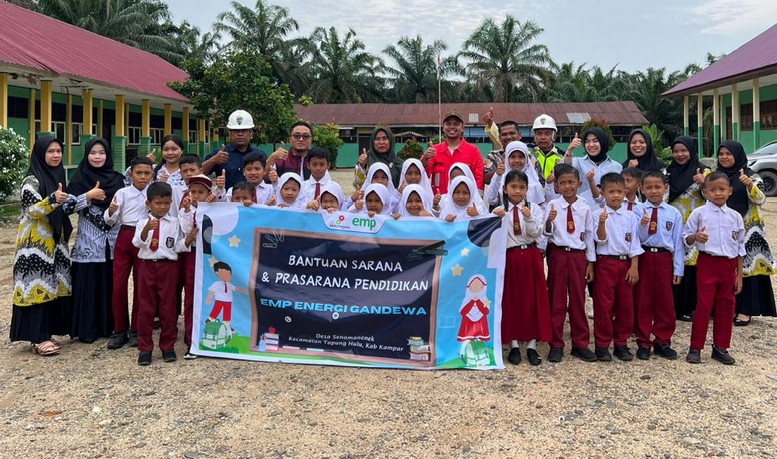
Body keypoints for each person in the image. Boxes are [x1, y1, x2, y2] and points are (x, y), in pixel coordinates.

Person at [11, 137, 74, 356]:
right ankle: (37, 338)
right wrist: (53, 199)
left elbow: (66, 205)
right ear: (40, 154)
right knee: (36, 288)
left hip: (55, 243)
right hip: (35, 246)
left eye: (59, 151)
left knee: (52, 288)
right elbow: (32, 210)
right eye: (50, 151)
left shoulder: (57, 176)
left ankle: (45, 333)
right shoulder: (31, 180)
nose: (56, 155)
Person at [65, 137, 124, 343]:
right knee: (88, 287)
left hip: (113, 245)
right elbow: (66, 207)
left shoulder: (118, 180)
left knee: (111, 287)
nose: (97, 157)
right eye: (92, 153)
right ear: (86, 155)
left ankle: (111, 327)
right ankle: (87, 330)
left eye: (101, 153)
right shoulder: (79, 179)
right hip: (88, 246)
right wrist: (88, 196)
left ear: (108, 155)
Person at [682, 172, 745, 365]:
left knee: (727, 306)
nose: (718, 193)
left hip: (729, 266)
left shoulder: (735, 217)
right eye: (713, 189)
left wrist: (739, 275)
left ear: (730, 191)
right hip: (708, 263)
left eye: (722, 189)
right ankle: (695, 348)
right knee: (704, 306)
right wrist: (695, 237)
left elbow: (740, 247)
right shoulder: (699, 213)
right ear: (705, 192)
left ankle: (721, 347)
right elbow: (686, 237)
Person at [492, 169, 551, 365]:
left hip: (531, 255)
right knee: (512, 299)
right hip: (509, 257)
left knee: (533, 299)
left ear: (527, 190)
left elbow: (537, 233)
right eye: (513, 187)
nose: (517, 191)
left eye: (522, 187)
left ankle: (532, 344)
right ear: (505, 189)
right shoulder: (499, 210)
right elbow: (492, 238)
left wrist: (528, 218)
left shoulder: (534, 209)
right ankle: (514, 344)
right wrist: (497, 220)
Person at [133, 182, 195, 365]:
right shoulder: (142, 223)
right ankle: (145, 348)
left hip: (167, 267)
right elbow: (138, 243)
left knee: (168, 307)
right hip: (147, 266)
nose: (162, 207)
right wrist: (147, 229)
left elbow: (177, 246)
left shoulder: (174, 223)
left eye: (166, 203)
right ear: (148, 204)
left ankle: (168, 346)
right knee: (146, 308)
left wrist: (189, 239)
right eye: (158, 203)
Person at [715, 141, 776, 325]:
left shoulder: (751, 175)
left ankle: (746, 310)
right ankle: (730, 307)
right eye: (721, 154)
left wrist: (750, 186)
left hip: (748, 230)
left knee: (748, 270)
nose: (724, 157)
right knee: (728, 268)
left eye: (728, 154)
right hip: (725, 229)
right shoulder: (716, 176)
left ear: (738, 155)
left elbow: (760, 199)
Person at [543, 164, 597, 363]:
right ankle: (556, 344)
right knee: (556, 300)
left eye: (571, 182)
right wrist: (549, 221)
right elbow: (546, 232)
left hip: (577, 256)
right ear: (556, 186)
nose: (567, 186)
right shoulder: (552, 205)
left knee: (578, 299)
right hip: (558, 253)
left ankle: (580, 344)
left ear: (579, 184)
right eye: (563, 183)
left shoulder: (584, 207)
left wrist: (591, 262)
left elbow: (589, 235)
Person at [104, 156, 154, 349]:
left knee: (141, 285)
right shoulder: (122, 193)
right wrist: (111, 211)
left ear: (152, 175)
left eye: (147, 173)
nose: (142, 177)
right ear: (131, 174)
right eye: (138, 173)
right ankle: (119, 329)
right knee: (118, 285)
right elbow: (110, 221)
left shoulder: (154, 192)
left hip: (144, 238)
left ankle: (137, 329)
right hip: (125, 236)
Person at [634, 170, 684, 360]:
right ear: (641, 188)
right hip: (644, 256)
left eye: (658, 187)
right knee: (643, 299)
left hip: (664, 258)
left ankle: (663, 340)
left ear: (666, 188)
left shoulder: (673, 213)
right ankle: (643, 341)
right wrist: (642, 225)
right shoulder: (638, 210)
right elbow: (636, 238)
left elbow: (678, 242)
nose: (653, 191)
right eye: (649, 187)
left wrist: (678, 268)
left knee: (665, 301)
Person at [592, 172, 643, 362]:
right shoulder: (598, 214)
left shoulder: (630, 216)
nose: (615, 196)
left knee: (625, 305)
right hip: (605, 262)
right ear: (602, 193)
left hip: (625, 263)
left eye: (619, 192)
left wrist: (634, 266)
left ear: (625, 192)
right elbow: (600, 239)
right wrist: (602, 223)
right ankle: (602, 344)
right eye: (611, 192)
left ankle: (621, 343)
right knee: (604, 305)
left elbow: (634, 243)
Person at [666, 136, 709, 322]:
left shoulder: (703, 171)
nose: (680, 154)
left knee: (692, 266)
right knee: (675, 263)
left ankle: (690, 307)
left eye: (684, 150)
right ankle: (674, 306)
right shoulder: (669, 171)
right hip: (673, 225)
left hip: (694, 224)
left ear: (691, 151)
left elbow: (713, 195)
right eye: (676, 151)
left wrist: (704, 183)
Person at [178, 174, 213, 358]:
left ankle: (209, 337)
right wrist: (185, 211)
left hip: (210, 257)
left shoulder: (216, 209)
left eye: (201, 192)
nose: (197, 195)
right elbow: (185, 231)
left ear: (208, 193)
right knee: (191, 296)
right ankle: (191, 339)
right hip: (191, 255)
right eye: (193, 192)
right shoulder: (186, 211)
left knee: (209, 296)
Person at [422, 111, 485, 194]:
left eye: (456, 124)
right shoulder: (434, 150)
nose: (452, 127)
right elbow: (422, 176)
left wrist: (477, 199)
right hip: (440, 200)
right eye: (448, 124)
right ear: (443, 127)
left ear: (462, 128)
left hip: (463, 200)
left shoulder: (473, 151)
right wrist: (425, 159)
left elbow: (479, 179)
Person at [202, 110, 266, 189]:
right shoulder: (219, 154)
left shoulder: (260, 155)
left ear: (251, 134)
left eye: (244, 130)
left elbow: (267, 179)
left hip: (255, 197)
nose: (240, 134)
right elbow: (198, 175)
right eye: (235, 131)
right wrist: (213, 160)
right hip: (227, 197)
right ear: (230, 134)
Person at [564, 127, 622, 210]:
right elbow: (565, 168)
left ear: (603, 142)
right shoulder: (579, 162)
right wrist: (570, 149)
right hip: (583, 212)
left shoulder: (617, 167)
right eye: (587, 141)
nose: (591, 145)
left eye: (595, 141)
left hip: (608, 213)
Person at [486, 141, 544, 208]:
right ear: (507, 159)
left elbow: (541, 208)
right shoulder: (501, 180)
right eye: (512, 157)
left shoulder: (534, 183)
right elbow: (491, 200)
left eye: (521, 157)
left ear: (526, 159)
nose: (517, 160)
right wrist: (498, 176)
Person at [529, 114, 576, 183]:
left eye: (547, 134)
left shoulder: (561, 157)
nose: (543, 137)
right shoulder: (527, 152)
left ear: (554, 137)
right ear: (534, 136)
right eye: (539, 134)